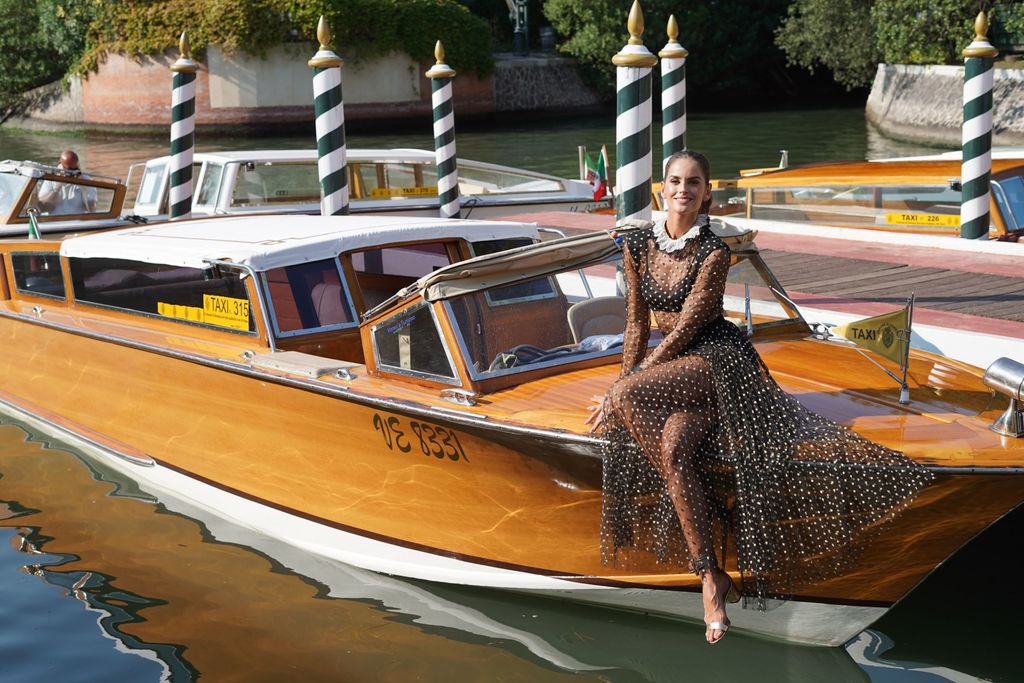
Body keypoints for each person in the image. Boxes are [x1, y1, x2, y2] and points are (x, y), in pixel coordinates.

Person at [586, 150, 931, 644]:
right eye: (676, 181)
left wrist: (623, 390)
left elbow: (686, 329)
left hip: (718, 360)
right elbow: (637, 323)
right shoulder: (638, 244)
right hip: (676, 372)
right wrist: (623, 383)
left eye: (695, 182)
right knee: (672, 451)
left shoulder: (715, 251)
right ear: (662, 188)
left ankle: (709, 566)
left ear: (707, 193)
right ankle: (711, 576)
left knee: (628, 398)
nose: (683, 189)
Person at [36, 150, 97, 215]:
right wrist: (57, 187)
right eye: (67, 170)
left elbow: (92, 210)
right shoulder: (51, 179)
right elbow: (42, 209)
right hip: (53, 221)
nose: (70, 174)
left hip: (75, 222)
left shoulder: (86, 180)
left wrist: (83, 185)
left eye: (73, 170)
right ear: (60, 165)